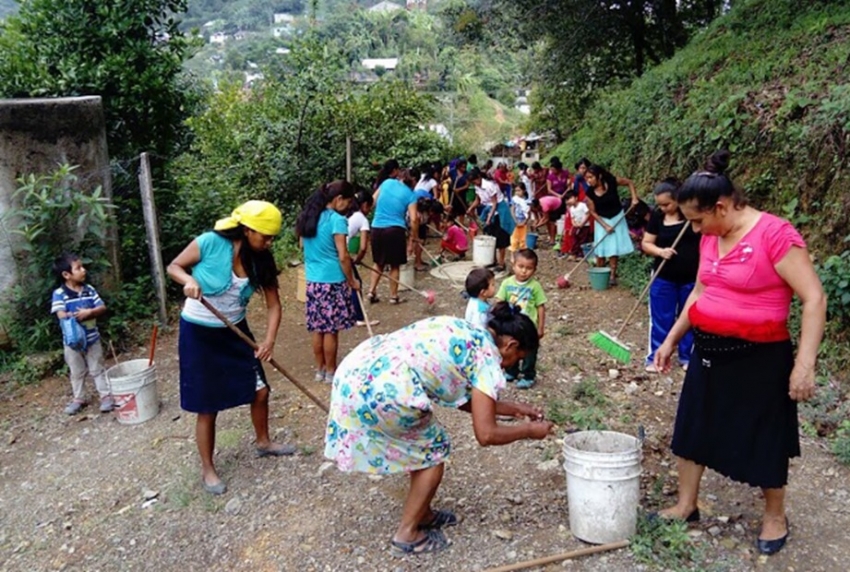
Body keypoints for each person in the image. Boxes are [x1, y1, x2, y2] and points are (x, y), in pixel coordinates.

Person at [653, 151, 826, 556]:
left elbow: (814, 298)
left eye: (698, 220)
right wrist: (672, 339)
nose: (694, 230)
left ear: (723, 206)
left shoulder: (775, 235)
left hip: (760, 356)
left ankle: (774, 516)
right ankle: (686, 504)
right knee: (693, 424)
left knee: (765, 434)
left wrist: (804, 365)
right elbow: (700, 291)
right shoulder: (712, 236)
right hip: (709, 349)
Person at [324, 303, 554, 555]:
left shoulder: (468, 330)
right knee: (433, 453)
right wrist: (530, 431)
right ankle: (407, 534)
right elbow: (486, 434)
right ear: (510, 345)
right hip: (383, 389)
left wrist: (513, 409)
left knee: (419, 445)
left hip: (357, 371)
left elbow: (466, 401)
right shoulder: (488, 358)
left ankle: (422, 513)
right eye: (516, 360)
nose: (509, 367)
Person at [167, 200, 294, 496]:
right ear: (248, 230)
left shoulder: (262, 259)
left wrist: (268, 341)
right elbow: (174, 266)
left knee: (260, 390)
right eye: (265, 236)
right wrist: (187, 280)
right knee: (207, 405)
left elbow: (275, 305)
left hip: (236, 332)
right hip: (198, 334)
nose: (269, 242)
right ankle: (208, 469)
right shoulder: (210, 242)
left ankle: (263, 442)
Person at [296, 181, 359, 382]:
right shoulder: (336, 220)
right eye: (348, 201)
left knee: (318, 327)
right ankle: (332, 371)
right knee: (331, 329)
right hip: (332, 281)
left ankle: (320, 369)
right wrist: (352, 280)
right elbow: (343, 256)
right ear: (339, 199)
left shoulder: (308, 217)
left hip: (313, 281)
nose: (348, 206)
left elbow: (301, 245)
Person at [642, 179, 700, 372]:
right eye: (659, 204)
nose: (663, 208)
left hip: (692, 278)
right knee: (660, 318)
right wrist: (660, 252)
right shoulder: (657, 217)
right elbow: (646, 243)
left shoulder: (692, 216)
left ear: (678, 199)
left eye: (667, 204)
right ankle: (655, 357)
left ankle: (687, 357)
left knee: (689, 317)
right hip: (663, 277)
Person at [51, 253, 112, 415]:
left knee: (97, 367)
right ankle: (79, 398)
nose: (83, 270)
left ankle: (105, 396)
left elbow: (102, 307)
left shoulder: (89, 290)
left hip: (93, 338)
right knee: (76, 370)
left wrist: (90, 312)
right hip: (72, 341)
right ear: (66, 274)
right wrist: (78, 316)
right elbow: (60, 314)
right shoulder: (59, 294)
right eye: (78, 268)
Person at [368, 159, 419, 304]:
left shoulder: (386, 183)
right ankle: (393, 296)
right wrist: (412, 239)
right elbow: (414, 219)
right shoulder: (411, 195)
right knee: (394, 264)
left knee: (378, 262)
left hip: (377, 227)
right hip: (395, 230)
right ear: (414, 182)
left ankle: (371, 291)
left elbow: (372, 202)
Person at [495, 249, 547, 389]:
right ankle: (511, 371)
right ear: (513, 265)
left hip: (528, 328)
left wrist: (541, 327)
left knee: (529, 351)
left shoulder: (535, 286)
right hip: (511, 326)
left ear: (534, 270)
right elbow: (499, 301)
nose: (524, 271)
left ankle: (528, 375)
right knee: (511, 349)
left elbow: (541, 307)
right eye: (521, 266)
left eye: (529, 268)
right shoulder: (506, 283)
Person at [584, 164, 639, 286]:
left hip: (617, 217)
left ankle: (613, 275)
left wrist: (634, 198)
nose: (588, 180)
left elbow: (629, 182)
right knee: (601, 249)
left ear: (599, 176)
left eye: (591, 177)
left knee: (614, 248)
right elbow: (593, 212)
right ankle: (600, 274)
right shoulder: (589, 193)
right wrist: (605, 226)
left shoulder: (612, 181)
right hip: (602, 220)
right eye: (587, 178)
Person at [468, 169, 515, 272]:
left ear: (479, 177)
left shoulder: (490, 185)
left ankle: (501, 263)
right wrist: (471, 208)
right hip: (489, 209)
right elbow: (478, 200)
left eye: (475, 181)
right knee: (490, 237)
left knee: (501, 237)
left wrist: (489, 217)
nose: (474, 183)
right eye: (472, 182)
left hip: (500, 211)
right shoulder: (477, 187)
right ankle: (492, 260)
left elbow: (494, 203)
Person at [347, 189, 379, 329]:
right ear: (365, 205)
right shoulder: (362, 219)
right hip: (341, 252)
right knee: (356, 282)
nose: (370, 211)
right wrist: (358, 259)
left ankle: (350, 314)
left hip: (334, 249)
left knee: (348, 282)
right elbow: (363, 247)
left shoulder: (350, 214)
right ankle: (358, 318)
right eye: (370, 207)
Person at [563, 191, 592, 258]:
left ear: (576, 198)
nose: (569, 201)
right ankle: (574, 253)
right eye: (567, 199)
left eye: (570, 198)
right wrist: (574, 224)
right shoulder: (571, 208)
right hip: (576, 226)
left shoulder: (582, 205)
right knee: (575, 239)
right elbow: (572, 218)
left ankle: (581, 254)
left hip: (585, 226)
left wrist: (582, 223)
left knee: (583, 240)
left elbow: (588, 214)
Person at [509, 182, 531, 261]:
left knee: (523, 238)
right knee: (514, 238)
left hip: (523, 221)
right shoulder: (514, 199)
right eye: (516, 191)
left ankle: (522, 254)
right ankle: (512, 254)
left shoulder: (527, 201)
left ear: (524, 190)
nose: (517, 193)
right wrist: (515, 220)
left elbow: (528, 212)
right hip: (515, 221)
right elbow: (512, 210)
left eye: (519, 191)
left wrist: (525, 221)